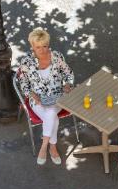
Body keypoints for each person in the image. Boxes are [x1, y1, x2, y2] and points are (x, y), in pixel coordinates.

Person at [18, 27, 75, 165]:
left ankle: (44, 147)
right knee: (52, 116)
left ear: (48, 44)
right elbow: (23, 82)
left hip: (58, 98)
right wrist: (30, 93)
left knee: (50, 113)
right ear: (32, 46)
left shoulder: (57, 56)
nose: (42, 50)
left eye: (45, 46)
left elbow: (69, 74)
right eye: (38, 47)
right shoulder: (27, 62)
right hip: (37, 99)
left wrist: (68, 84)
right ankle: (52, 147)